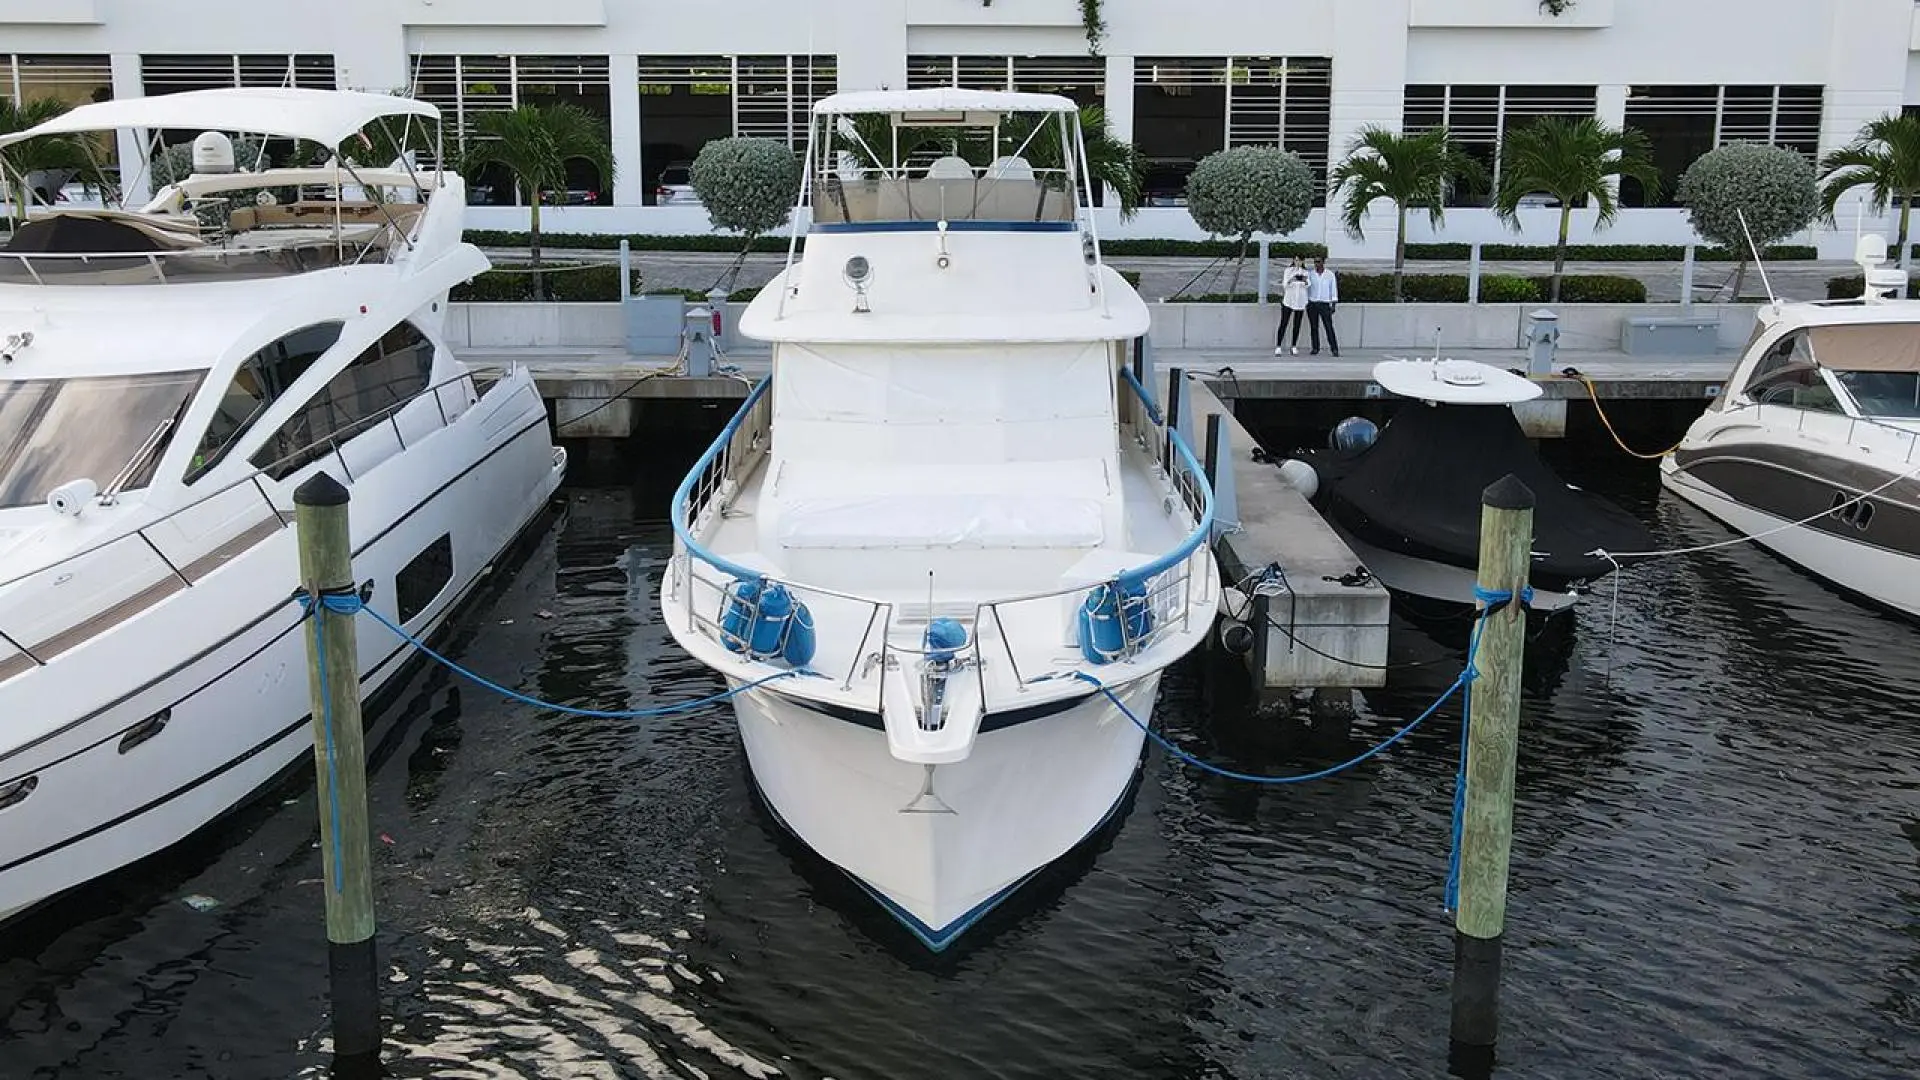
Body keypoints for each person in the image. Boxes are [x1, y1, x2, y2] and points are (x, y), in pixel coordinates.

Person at [1274, 256, 1310, 355]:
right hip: (1289, 300)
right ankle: (1278, 346)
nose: (1298, 262)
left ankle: (1294, 345)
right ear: (1294, 261)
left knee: (1297, 324)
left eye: (1300, 260)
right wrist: (1292, 278)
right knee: (1284, 323)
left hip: (1300, 301)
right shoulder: (1288, 271)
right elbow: (1285, 284)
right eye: (1296, 260)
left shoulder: (1305, 272)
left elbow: (1308, 285)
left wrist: (1303, 280)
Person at [1305, 256, 1340, 357]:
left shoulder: (1329, 275)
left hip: (1324, 304)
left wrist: (1333, 304)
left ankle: (1334, 348)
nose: (1316, 264)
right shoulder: (1310, 274)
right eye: (1315, 262)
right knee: (1314, 327)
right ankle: (1315, 347)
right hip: (1312, 303)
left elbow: (1333, 289)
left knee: (1328, 327)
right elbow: (1307, 288)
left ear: (1323, 262)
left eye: (1319, 262)